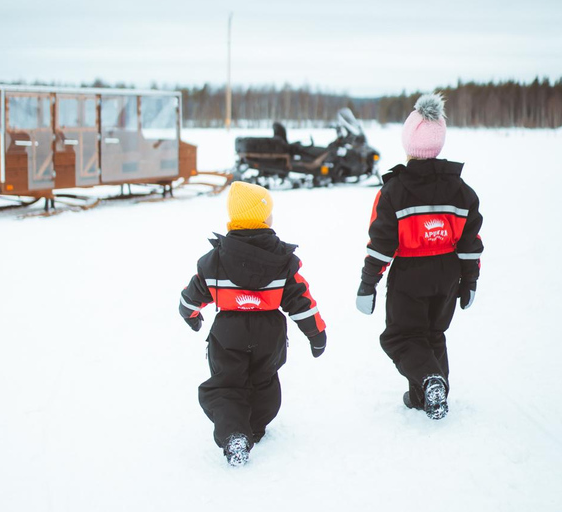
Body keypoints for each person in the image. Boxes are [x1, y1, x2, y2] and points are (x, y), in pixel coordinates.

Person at [179, 181, 327, 466]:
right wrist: (316, 332)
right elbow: (301, 299)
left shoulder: (214, 260)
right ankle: (255, 427)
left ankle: (235, 433)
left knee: (226, 386)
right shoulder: (283, 260)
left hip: (228, 333)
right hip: (269, 334)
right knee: (264, 382)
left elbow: (193, 293)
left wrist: (190, 314)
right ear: (264, 219)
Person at [355, 93, 483, 420]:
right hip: (447, 275)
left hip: (410, 274)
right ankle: (426, 397)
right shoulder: (462, 191)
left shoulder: (393, 191)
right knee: (432, 334)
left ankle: (429, 380)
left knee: (400, 337)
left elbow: (381, 243)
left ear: (408, 142)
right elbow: (471, 242)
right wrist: (469, 280)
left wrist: (368, 283)